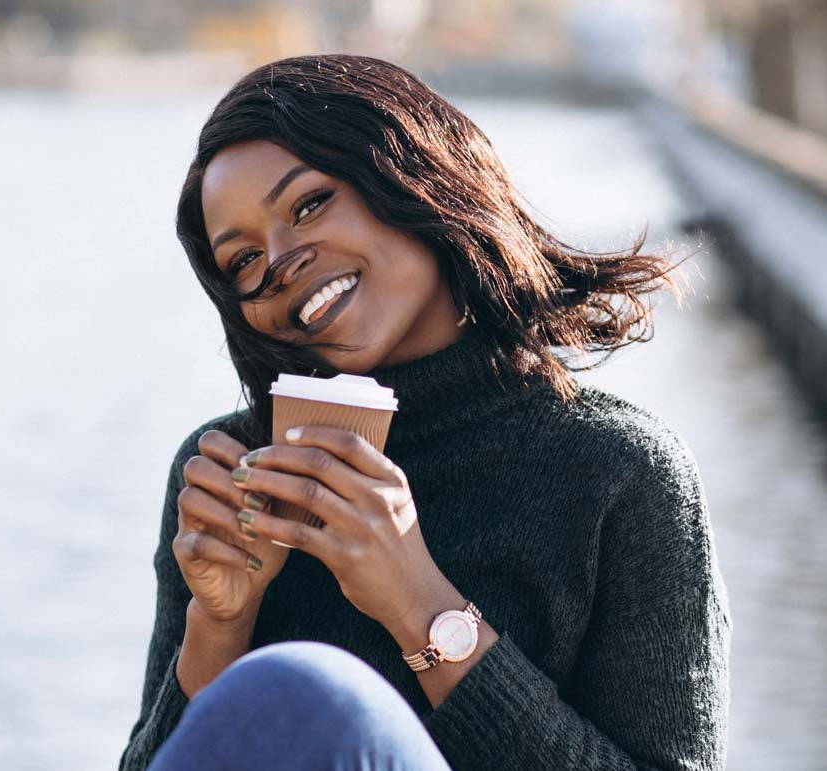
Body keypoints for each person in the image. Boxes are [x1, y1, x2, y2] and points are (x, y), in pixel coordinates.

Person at [119, 54, 732, 771]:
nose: (280, 260)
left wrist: (418, 604)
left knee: (313, 695)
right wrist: (219, 625)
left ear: (416, 177)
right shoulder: (230, 475)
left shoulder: (622, 473)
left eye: (309, 204)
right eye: (244, 261)